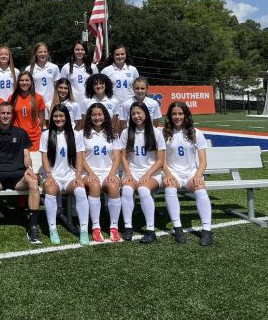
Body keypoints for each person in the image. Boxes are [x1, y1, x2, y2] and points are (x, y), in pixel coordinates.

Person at [0, 102, 40, 245]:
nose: (5, 116)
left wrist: (30, 169)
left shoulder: (21, 133)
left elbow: (26, 156)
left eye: (8, 113)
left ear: (12, 115)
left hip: (18, 177)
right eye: (3, 113)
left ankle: (33, 227)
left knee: (33, 182)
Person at [162, 101, 213, 246]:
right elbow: (161, 160)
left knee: (201, 190)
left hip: (191, 173)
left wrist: (197, 176)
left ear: (185, 115)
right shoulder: (164, 133)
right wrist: (168, 174)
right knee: (170, 188)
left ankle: (207, 231)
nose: (177, 117)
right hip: (174, 174)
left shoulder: (196, 133)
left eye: (180, 113)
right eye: (174, 114)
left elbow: (203, 161)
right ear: (169, 116)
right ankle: (178, 228)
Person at [40, 104, 87, 245]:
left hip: (69, 176)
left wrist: (78, 176)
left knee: (80, 190)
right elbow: (44, 158)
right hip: (52, 175)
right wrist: (49, 175)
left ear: (67, 117)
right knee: (50, 190)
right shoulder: (45, 134)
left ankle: (84, 230)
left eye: (61, 116)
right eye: (55, 116)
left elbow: (79, 157)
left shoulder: (76, 134)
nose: (58, 119)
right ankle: (52, 229)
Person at [117, 102, 165, 243]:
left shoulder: (156, 132)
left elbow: (160, 160)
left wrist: (147, 175)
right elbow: (123, 157)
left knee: (144, 190)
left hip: (152, 174)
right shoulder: (126, 132)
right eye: (133, 114)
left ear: (146, 114)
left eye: (139, 113)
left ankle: (150, 230)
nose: (136, 116)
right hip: (132, 172)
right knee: (126, 189)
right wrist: (128, 174)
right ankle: (128, 227)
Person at [79, 103, 123, 243]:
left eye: (100, 114)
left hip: (108, 172)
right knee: (95, 185)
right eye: (94, 115)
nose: (97, 117)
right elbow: (80, 158)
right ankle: (96, 228)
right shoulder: (82, 134)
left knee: (114, 186)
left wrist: (111, 174)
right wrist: (91, 173)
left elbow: (117, 158)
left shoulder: (112, 134)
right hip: (89, 172)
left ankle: (114, 228)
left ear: (105, 116)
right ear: (89, 117)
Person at [10, 71, 46, 151]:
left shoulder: (38, 98)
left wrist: (35, 130)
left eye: (27, 80)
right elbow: (10, 119)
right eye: (21, 80)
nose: (24, 82)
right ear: (18, 82)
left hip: (35, 137)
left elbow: (41, 119)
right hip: (18, 137)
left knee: (35, 162)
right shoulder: (12, 98)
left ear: (31, 82)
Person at [23, 42, 60, 111]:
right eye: (40, 52)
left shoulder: (54, 67)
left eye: (45, 52)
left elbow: (57, 87)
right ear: (35, 53)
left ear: (48, 53)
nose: (43, 54)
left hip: (52, 103)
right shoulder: (29, 69)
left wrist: (57, 101)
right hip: (36, 103)